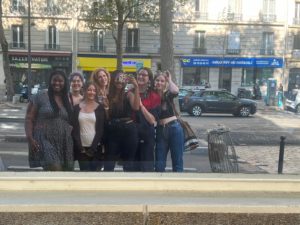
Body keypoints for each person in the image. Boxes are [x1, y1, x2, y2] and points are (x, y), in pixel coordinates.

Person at [24, 71, 74, 171]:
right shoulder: (41, 95)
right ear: (50, 81)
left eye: (60, 81)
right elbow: (29, 118)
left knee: (66, 171)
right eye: (54, 80)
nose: (57, 83)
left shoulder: (68, 98)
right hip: (43, 138)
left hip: (64, 141)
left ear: (65, 83)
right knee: (55, 167)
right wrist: (30, 137)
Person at [104, 70, 140, 171]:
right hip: (113, 130)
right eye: (118, 79)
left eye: (123, 79)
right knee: (109, 162)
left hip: (128, 129)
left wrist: (136, 87)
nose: (120, 81)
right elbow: (107, 116)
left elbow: (136, 107)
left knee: (128, 162)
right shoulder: (108, 94)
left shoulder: (128, 94)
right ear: (113, 80)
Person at [71, 82, 106, 171]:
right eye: (89, 90)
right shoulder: (76, 108)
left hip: (95, 148)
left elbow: (100, 130)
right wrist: (80, 147)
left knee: (95, 177)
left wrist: (93, 148)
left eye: (94, 90)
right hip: (81, 148)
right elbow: (75, 129)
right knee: (84, 174)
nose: (92, 92)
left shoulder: (100, 108)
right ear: (84, 91)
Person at [154, 71, 184, 172]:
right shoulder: (151, 96)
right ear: (154, 82)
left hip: (174, 128)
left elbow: (175, 91)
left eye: (162, 81)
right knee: (159, 164)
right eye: (157, 80)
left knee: (177, 162)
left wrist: (169, 79)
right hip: (160, 130)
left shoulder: (167, 95)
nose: (159, 83)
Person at [135, 67, 161, 172]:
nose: (140, 76)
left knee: (147, 168)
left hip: (147, 135)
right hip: (132, 134)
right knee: (131, 168)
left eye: (144, 75)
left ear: (149, 79)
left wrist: (141, 106)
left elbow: (151, 120)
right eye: (139, 74)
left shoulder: (154, 96)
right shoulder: (130, 93)